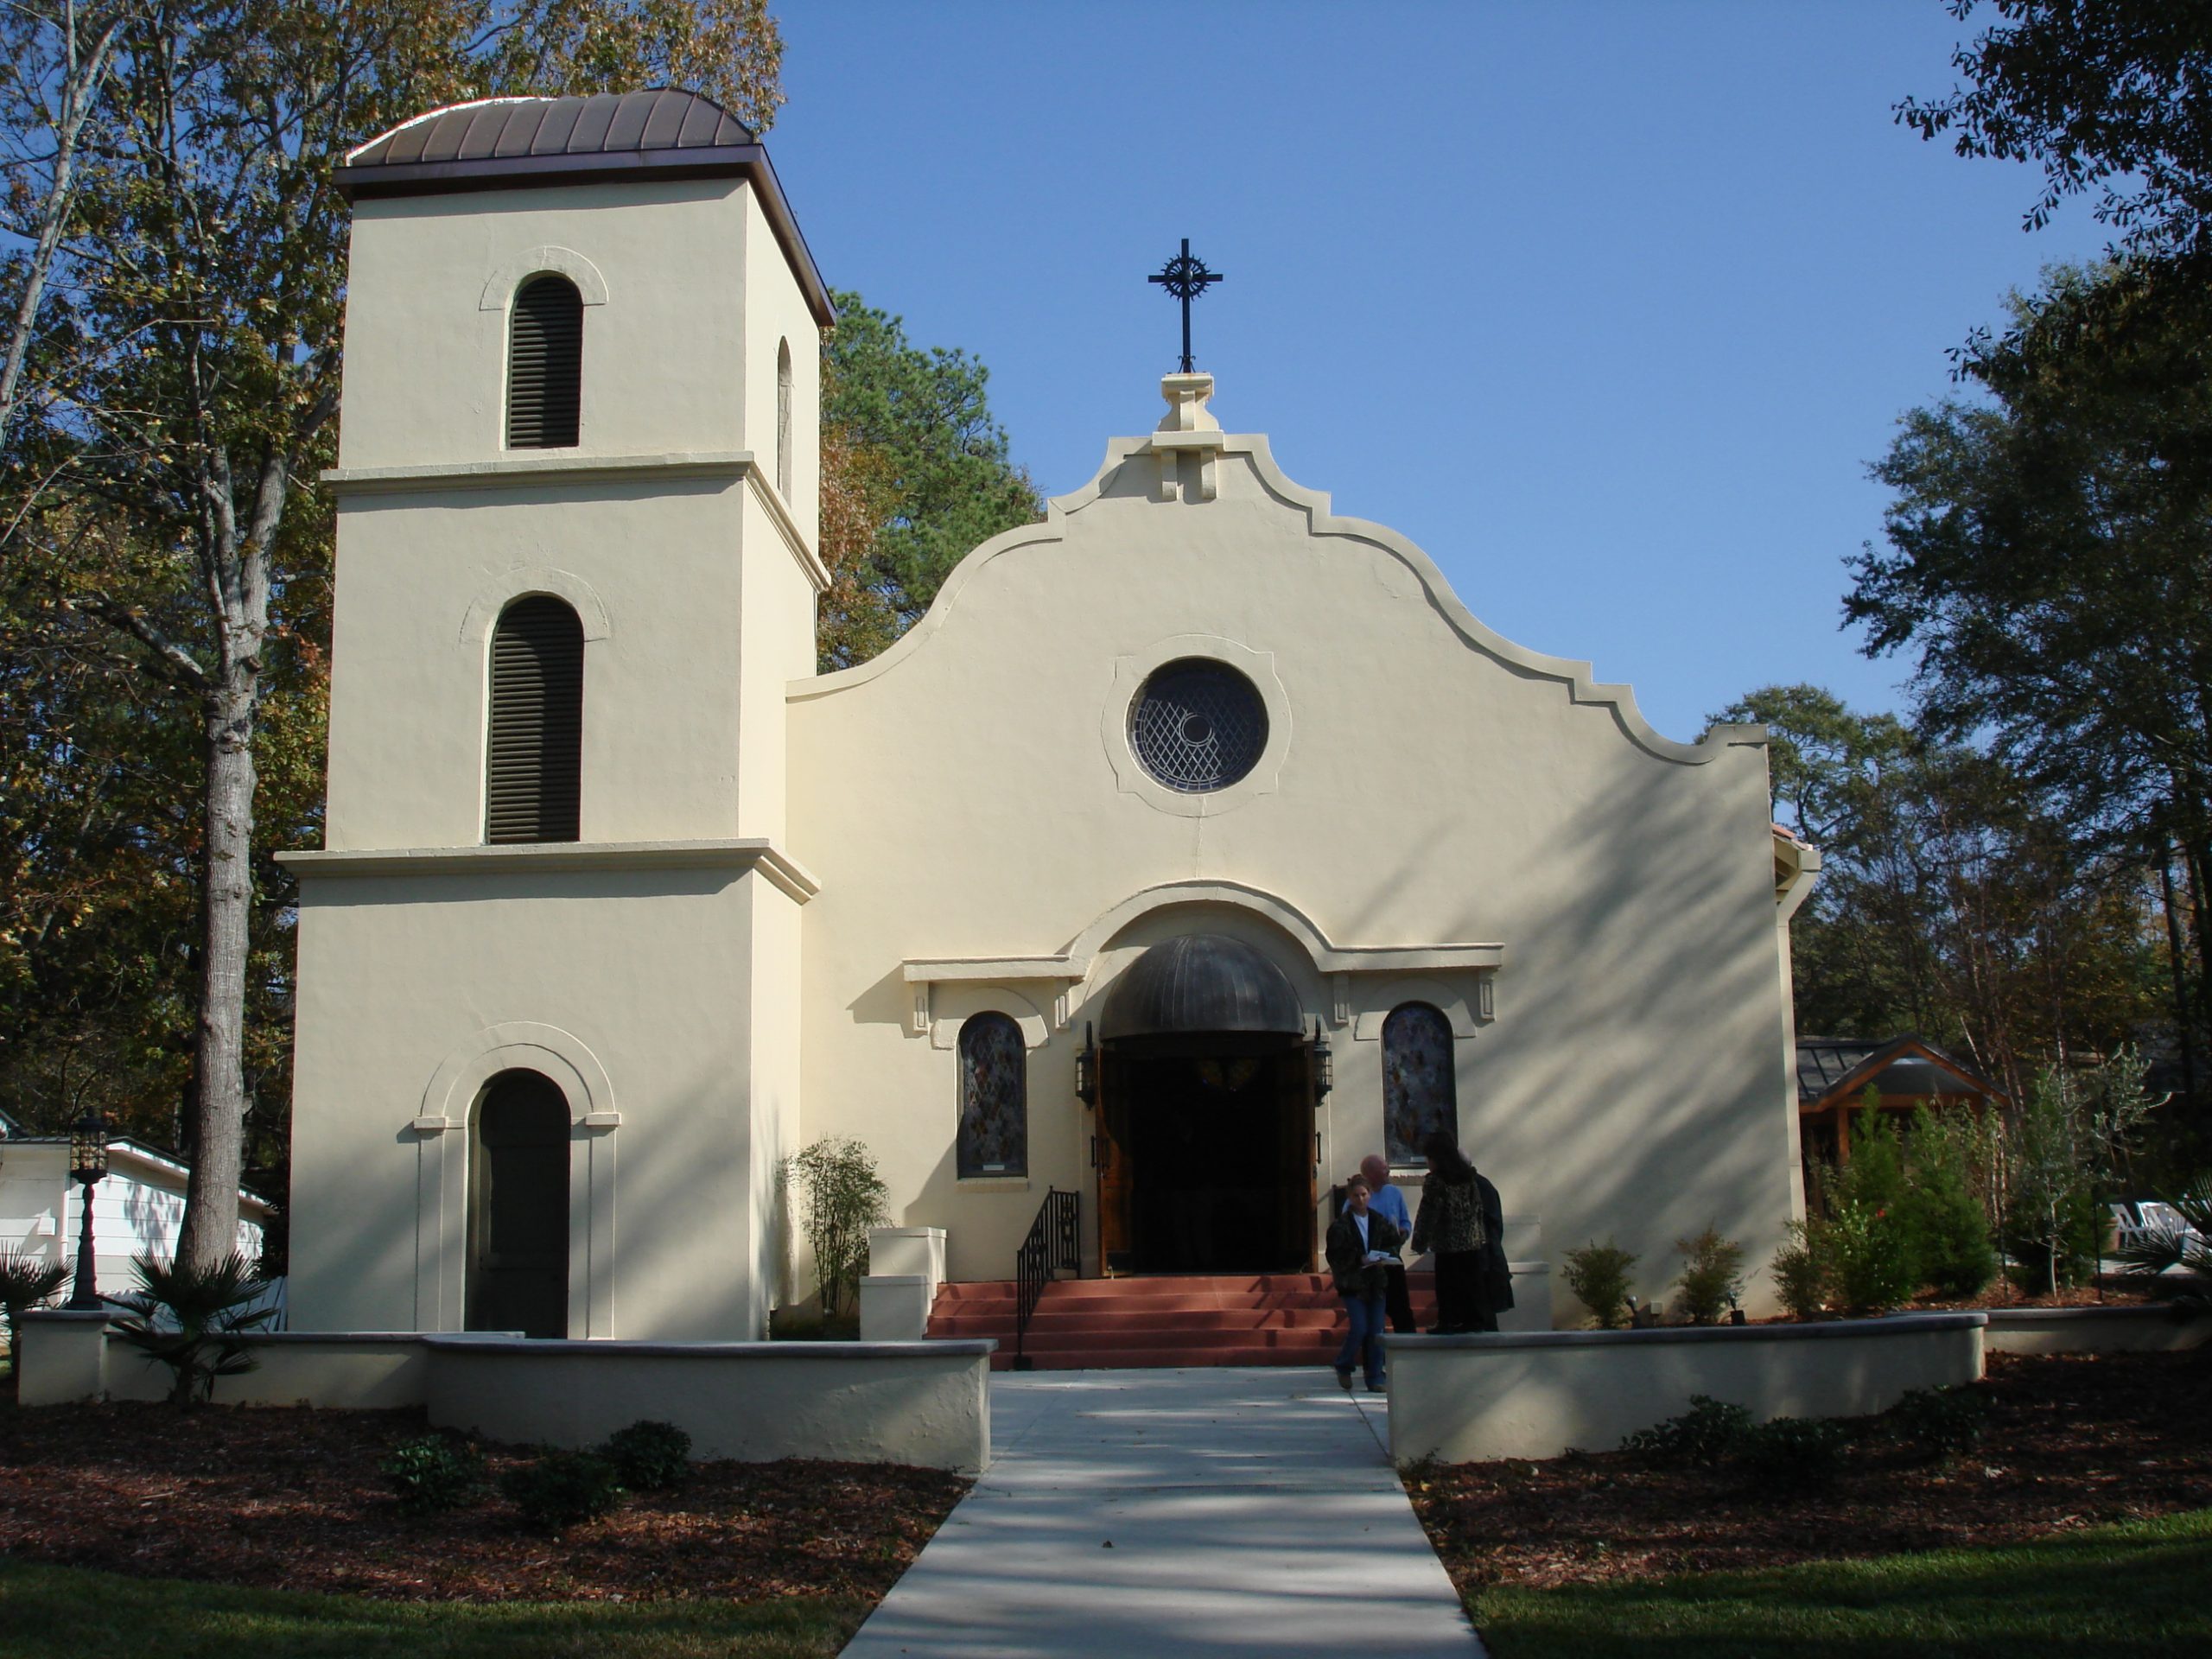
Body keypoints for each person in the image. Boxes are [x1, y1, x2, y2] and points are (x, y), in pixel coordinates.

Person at [1411, 1131, 1512, 1333]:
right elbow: (1477, 1208)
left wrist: (1420, 1242)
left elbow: (1428, 1212)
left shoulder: (1436, 1181)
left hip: (1448, 1241)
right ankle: (1473, 1320)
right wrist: (1478, 1236)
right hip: (1472, 1241)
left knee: (1447, 1283)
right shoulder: (1469, 1177)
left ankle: (1448, 1321)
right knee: (1471, 1282)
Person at [1324, 1173, 1401, 1391]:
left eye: (1364, 1195)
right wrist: (1358, 1259)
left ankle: (1375, 1376)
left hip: (1376, 1281)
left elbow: (1392, 1242)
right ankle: (1344, 1364)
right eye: (1356, 1195)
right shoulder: (1341, 1225)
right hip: (1353, 1283)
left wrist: (1387, 1253)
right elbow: (1335, 1255)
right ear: (1350, 1197)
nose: (1361, 1199)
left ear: (1370, 1195)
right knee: (1359, 1327)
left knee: (1377, 1330)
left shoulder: (1378, 1220)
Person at [1356, 1153, 1416, 1334]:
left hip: (1392, 1261)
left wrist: (1404, 1232)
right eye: (1383, 1169)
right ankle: (1374, 1354)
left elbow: (1405, 1222)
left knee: (1401, 1308)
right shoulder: (1359, 1196)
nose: (1388, 1172)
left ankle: (1407, 1347)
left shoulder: (1393, 1192)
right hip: (1369, 1264)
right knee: (1373, 1312)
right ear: (1369, 1174)